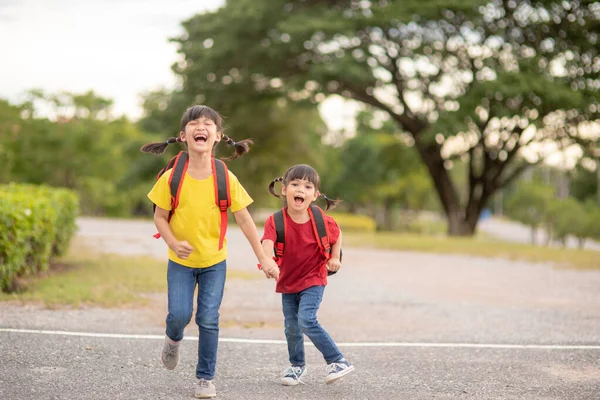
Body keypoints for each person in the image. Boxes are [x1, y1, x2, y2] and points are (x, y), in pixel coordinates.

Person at [143, 105, 280, 399]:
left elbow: (244, 219)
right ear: (183, 135)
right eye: (194, 123)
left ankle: (205, 378)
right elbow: (159, 217)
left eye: (207, 124)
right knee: (179, 315)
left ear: (218, 136)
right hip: (180, 261)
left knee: (208, 318)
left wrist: (264, 258)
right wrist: (172, 242)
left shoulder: (225, 178)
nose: (200, 127)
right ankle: (173, 338)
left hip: (214, 262)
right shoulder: (172, 177)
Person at [261, 164, 354, 386]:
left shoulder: (320, 219)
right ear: (284, 190)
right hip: (288, 280)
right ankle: (297, 366)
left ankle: (337, 360)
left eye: (307, 186)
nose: (300, 189)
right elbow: (267, 242)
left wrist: (335, 257)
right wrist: (268, 262)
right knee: (291, 327)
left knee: (306, 319)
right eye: (295, 184)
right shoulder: (276, 221)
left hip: (314, 277)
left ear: (315, 195)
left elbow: (336, 233)